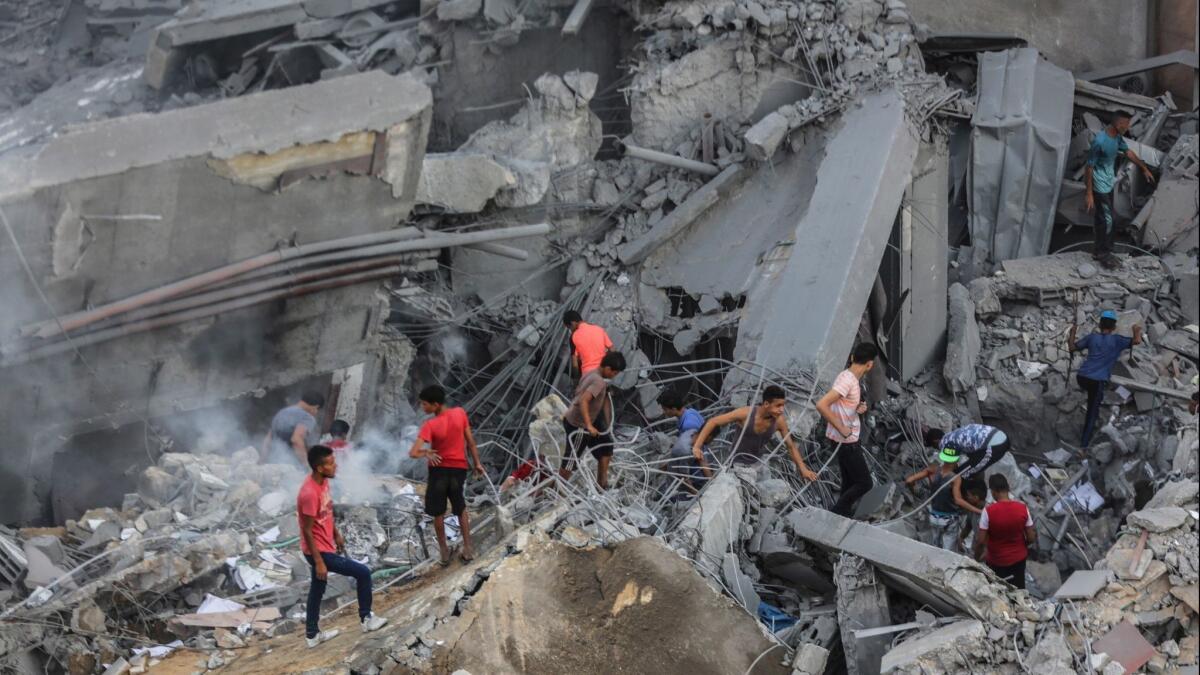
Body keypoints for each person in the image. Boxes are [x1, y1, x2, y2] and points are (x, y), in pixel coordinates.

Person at [297, 445, 388, 648]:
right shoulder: (309, 493)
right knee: (363, 573)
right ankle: (367, 619)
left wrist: (336, 534)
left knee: (317, 589)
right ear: (320, 468)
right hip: (317, 550)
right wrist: (320, 561)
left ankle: (312, 635)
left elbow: (326, 513)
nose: (335, 466)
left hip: (324, 545)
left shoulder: (323, 483)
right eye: (331, 463)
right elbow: (307, 529)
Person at [408, 385, 484, 565]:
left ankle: (443, 551)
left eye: (425, 404)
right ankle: (468, 548)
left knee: (438, 512)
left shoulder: (430, 425)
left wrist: (426, 453)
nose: (423, 408)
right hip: (458, 470)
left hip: (439, 471)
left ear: (435, 405)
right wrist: (477, 464)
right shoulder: (460, 413)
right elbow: (470, 443)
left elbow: (413, 452)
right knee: (460, 507)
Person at [690, 385, 819, 483]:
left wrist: (803, 469)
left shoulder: (779, 421)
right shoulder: (745, 414)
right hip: (737, 464)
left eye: (783, 405)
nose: (781, 410)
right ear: (766, 404)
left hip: (759, 463)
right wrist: (697, 446)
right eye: (778, 405)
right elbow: (713, 421)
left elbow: (790, 446)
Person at [1085, 110, 1155, 270]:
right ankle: (1105, 254)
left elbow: (1128, 152)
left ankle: (1098, 251)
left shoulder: (1116, 138)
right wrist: (1089, 193)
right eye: (1126, 124)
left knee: (1102, 218)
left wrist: (1143, 168)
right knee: (1109, 219)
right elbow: (1089, 167)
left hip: (1108, 183)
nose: (1128, 127)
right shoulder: (1100, 141)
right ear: (1117, 124)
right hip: (1098, 186)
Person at [814, 343, 879, 517]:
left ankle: (841, 516)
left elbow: (841, 404)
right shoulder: (848, 381)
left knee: (849, 483)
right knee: (865, 483)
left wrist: (858, 407)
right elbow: (822, 404)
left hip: (845, 440)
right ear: (870, 364)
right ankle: (835, 513)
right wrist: (842, 428)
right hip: (847, 441)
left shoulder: (848, 378)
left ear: (852, 358)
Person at [1069, 310, 1142, 449]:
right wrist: (1136, 329)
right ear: (1114, 327)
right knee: (1092, 413)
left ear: (1100, 324)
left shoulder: (1092, 337)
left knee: (1092, 396)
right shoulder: (1117, 340)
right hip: (1097, 381)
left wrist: (1072, 332)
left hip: (1082, 377)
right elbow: (1137, 340)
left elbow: (1072, 347)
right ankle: (1083, 447)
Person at [562, 351, 626, 489]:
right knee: (571, 461)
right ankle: (558, 488)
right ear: (608, 368)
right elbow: (584, 400)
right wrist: (589, 425)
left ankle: (601, 484)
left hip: (583, 419)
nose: (614, 377)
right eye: (614, 373)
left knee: (606, 447)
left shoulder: (591, 373)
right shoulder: (598, 382)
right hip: (579, 425)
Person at [921, 425, 1010, 516]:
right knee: (972, 470)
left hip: (993, 445)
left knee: (960, 476)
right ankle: (974, 498)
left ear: (935, 441)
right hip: (997, 437)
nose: (937, 449)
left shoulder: (944, 443)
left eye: (934, 446)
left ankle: (971, 503)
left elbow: (949, 467)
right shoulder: (952, 435)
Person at [973, 474, 1035, 590]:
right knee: (1018, 592)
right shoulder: (1023, 508)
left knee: (997, 591)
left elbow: (981, 541)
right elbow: (1031, 537)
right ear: (1008, 488)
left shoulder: (988, 511)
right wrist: (1022, 546)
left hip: (996, 562)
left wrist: (976, 559)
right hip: (1018, 560)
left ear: (994, 491)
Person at [905, 452, 978, 551]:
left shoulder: (932, 470)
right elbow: (958, 500)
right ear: (955, 461)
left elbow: (909, 481)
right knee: (948, 551)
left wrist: (915, 491)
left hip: (934, 517)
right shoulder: (955, 478)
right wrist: (977, 510)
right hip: (949, 519)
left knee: (936, 549)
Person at [657, 390, 708, 493]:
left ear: (674, 409)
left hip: (696, 470)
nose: (664, 412)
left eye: (665, 409)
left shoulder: (688, 425)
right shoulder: (690, 412)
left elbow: (696, 453)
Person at [262, 391, 324, 466]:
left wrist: (263, 459)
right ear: (316, 407)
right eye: (317, 410)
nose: (316, 412)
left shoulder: (281, 413)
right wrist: (306, 465)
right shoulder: (307, 417)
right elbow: (296, 439)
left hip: (273, 461)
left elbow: (268, 439)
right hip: (290, 464)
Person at [563, 310, 613, 377]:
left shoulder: (573, 337)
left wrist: (576, 378)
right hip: (603, 373)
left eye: (569, 328)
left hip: (588, 374)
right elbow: (612, 350)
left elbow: (575, 365)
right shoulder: (598, 329)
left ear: (572, 323)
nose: (571, 330)